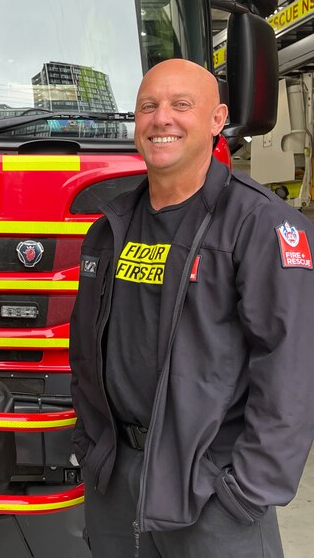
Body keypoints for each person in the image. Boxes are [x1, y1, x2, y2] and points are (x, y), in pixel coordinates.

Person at [69, 58, 314, 558]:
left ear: (217, 119)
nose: (162, 119)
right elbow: (87, 353)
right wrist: (92, 448)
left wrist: (245, 492)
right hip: (119, 480)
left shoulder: (260, 225)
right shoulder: (111, 226)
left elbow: (292, 370)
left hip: (210, 491)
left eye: (182, 105)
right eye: (148, 107)